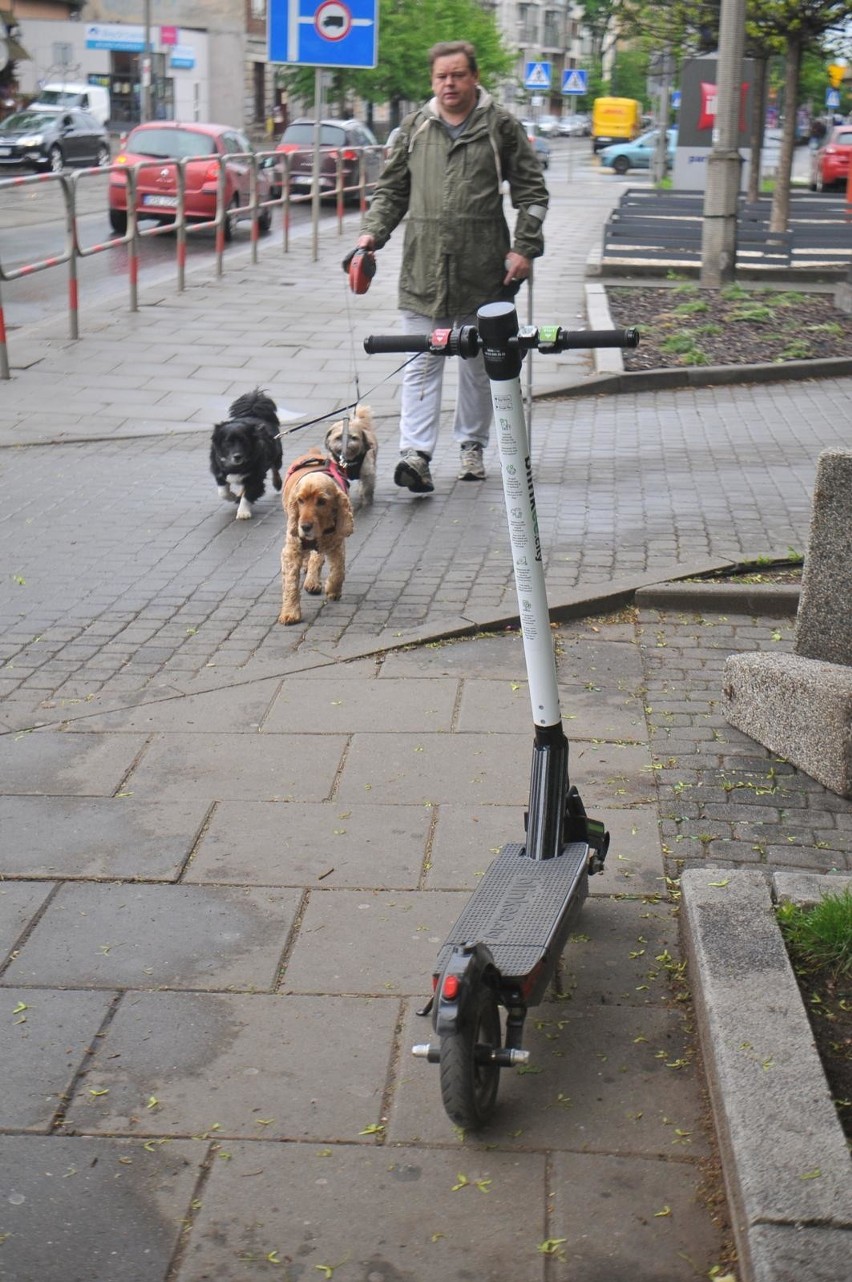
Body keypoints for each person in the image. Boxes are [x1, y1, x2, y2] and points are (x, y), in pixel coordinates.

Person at [352, 40, 549, 493]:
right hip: (423, 269)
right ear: (432, 80)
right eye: (442, 76)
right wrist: (371, 235)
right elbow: (390, 193)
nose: (449, 83)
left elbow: (533, 194)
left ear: (474, 77)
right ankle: (415, 455)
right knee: (421, 363)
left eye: (458, 74)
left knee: (478, 365)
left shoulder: (501, 127)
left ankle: (471, 447)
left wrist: (524, 249)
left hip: (484, 271)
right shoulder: (413, 128)